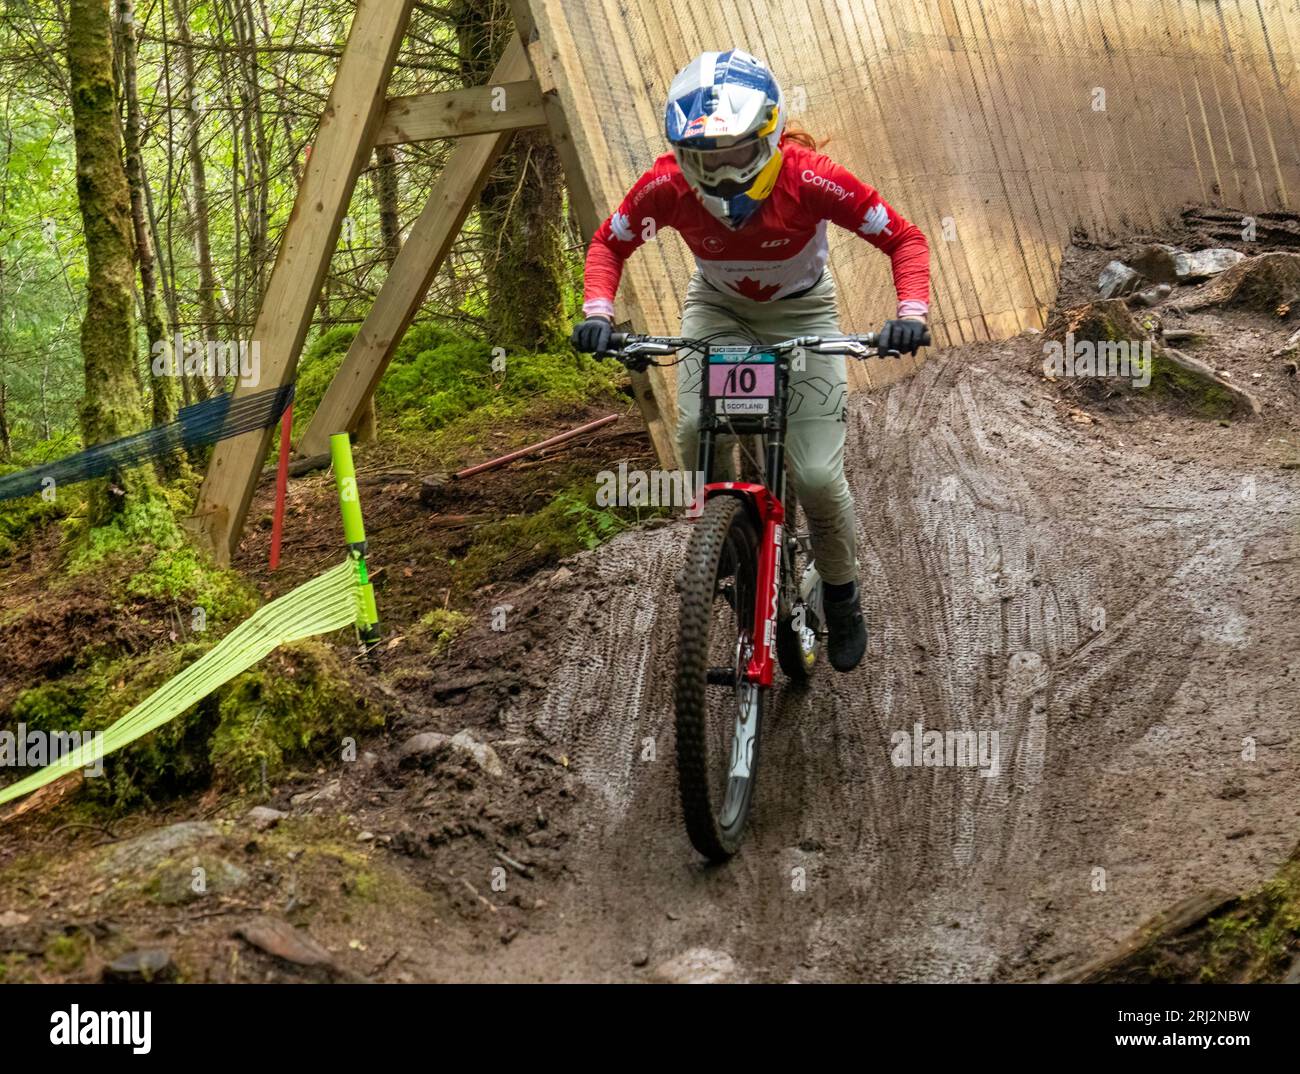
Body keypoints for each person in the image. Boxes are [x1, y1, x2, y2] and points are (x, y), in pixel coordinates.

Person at [572, 48, 931, 673]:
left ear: (768, 137)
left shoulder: (811, 178)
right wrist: (598, 313)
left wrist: (911, 315)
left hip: (802, 312)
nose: (719, 174)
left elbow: (903, 237)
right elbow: (609, 242)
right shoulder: (666, 185)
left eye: (736, 154)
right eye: (702, 159)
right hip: (718, 309)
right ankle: (730, 545)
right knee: (693, 433)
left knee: (817, 476)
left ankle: (842, 596)